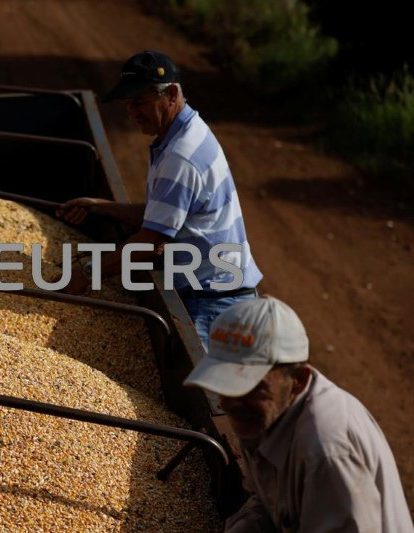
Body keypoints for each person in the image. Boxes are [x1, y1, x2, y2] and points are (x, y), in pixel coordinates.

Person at [55, 50, 262, 348]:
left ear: (172, 94)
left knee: (212, 392)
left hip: (212, 304)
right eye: (127, 104)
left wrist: (89, 273)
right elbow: (168, 218)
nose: (133, 113)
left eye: (140, 102)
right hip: (219, 295)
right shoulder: (185, 134)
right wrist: (104, 207)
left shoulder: (181, 156)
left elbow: (152, 241)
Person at [183, 295, 414, 532]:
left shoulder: (326, 451)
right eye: (225, 384)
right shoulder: (261, 417)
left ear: (298, 380)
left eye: (251, 387)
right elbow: (269, 503)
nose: (231, 403)